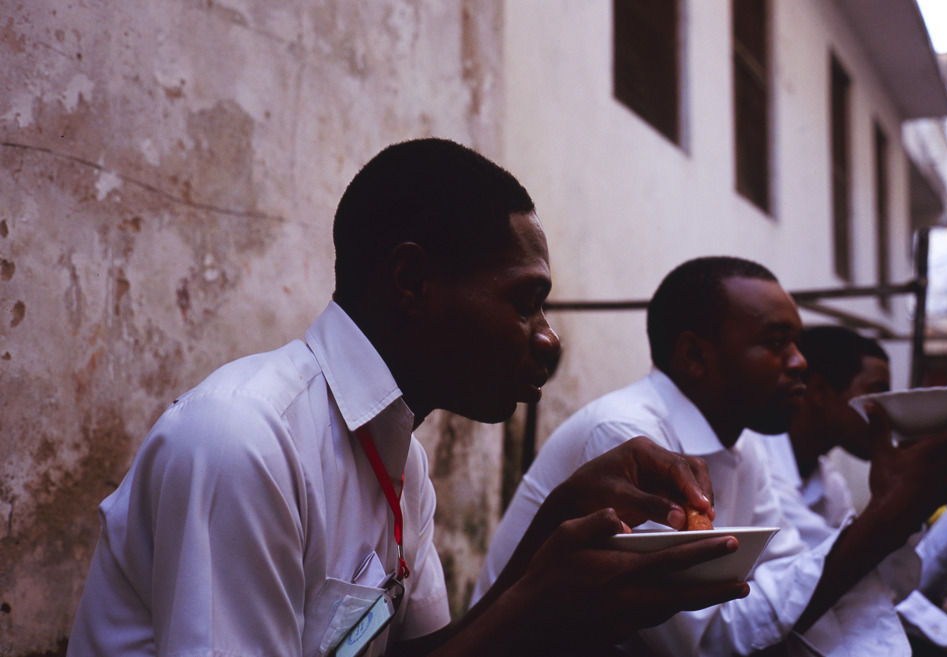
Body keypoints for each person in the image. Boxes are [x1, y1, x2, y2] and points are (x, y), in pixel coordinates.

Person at [66, 139, 750, 657]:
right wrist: (540, 605)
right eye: (525, 302)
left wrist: (560, 521)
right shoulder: (244, 439)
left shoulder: (402, 464)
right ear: (412, 281)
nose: (547, 340)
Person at [474, 256, 947, 656]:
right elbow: (705, 640)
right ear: (695, 356)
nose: (800, 362)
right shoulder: (627, 433)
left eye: (798, 343)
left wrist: (897, 514)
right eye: (776, 342)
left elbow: (786, 575)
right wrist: (886, 517)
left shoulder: (744, 445)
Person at [756, 325, 947, 657]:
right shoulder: (764, 469)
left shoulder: (828, 481)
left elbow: (879, 582)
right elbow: (842, 575)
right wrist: (906, 502)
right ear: (819, 391)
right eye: (875, 393)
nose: (887, 413)